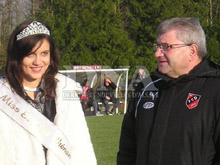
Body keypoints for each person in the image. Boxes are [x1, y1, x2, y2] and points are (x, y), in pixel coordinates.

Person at [117, 17, 220, 165]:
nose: (157, 53)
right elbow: (127, 150)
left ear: (192, 51)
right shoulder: (146, 87)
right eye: (158, 46)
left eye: (166, 47)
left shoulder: (215, 89)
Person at [0, 20, 96, 164]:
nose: (38, 61)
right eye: (30, 54)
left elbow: (81, 145)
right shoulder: (3, 94)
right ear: (17, 56)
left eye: (44, 53)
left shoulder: (64, 91)